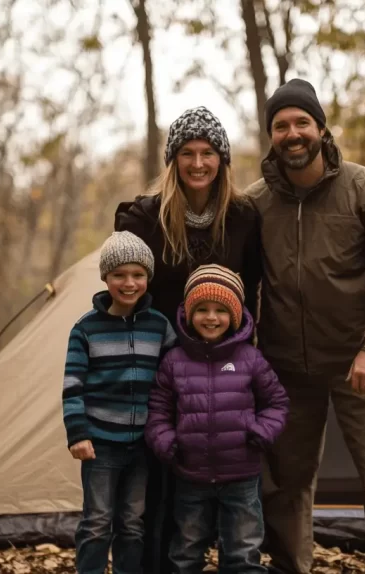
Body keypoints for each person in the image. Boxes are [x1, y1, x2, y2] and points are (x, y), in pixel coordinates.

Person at [245, 78, 365, 574]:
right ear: (271, 135)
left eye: (301, 123)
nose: (292, 133)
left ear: (321, 128)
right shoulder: (255, 204)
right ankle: (291, 567)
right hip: (286, 369)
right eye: (281, 125)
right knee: (286, 482)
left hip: (361, 362)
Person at [114, 106, 262, 573]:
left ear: (223, 159)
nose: (198, 163)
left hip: (223, 370)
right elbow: (126, 287)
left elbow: (253, 294)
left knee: (223, 487)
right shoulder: (144, 217)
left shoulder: (242, 217)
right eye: (187, 153)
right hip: (159, 368)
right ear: (173, 160)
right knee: (158, 480)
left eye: (208, 153)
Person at [145, 264, 288, 574]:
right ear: (189, 313)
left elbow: (276, 403)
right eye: (203, 309)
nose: (211, 317)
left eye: (221, 310)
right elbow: (158, 409)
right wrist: (165, 440)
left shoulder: (250, 359)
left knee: (243, 550)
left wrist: (263, 430)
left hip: (242, 476)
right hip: (190, 475)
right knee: (185, 549)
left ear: (234, 315)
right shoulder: (174, 360)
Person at [62, 230, 177, 574]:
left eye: (138, 275)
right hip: (100, 446)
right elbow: (72, 385)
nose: (129, 283)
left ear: (148, 278)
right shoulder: (86, 329)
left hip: (142, 445)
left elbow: (173, 378)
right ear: (106, 278)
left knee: (132, 523)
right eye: (119, 275)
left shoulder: (159, 326)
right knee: (97, 522)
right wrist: (78, 434)